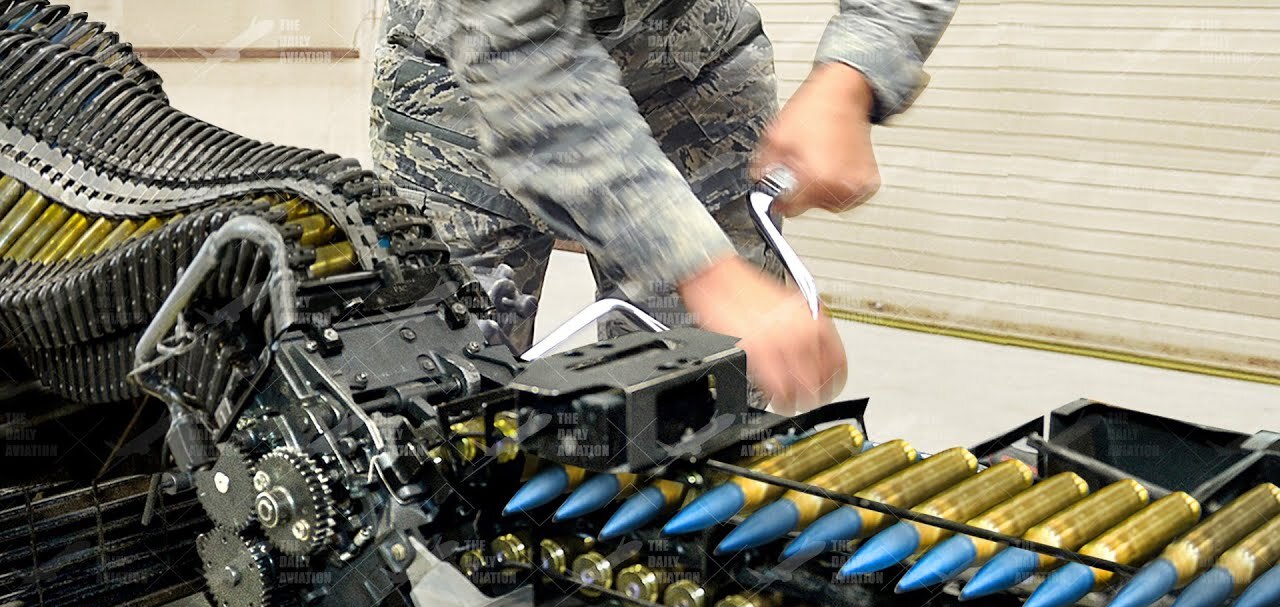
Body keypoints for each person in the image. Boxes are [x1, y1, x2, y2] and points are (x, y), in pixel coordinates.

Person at [371, 0, 958, 412]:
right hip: (462, 89)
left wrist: (853, 74)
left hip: (693, 74)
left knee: (698, 411)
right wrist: (705, 270)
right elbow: (521, 63)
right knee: (444, 404)